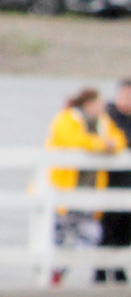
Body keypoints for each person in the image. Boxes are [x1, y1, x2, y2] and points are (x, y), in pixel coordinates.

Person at [45, 86, 127, 284]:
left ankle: (61, 272)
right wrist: (102, 145)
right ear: (89, 104)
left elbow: (119, 140)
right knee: (58, 238)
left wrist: (110, 145)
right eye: (99, 103)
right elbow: (72, 140)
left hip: (89, 193)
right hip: (64, 191)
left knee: (89, 237)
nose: (103, 107)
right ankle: (54, 277)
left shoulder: (104, 123)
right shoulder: (67, 119)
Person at [99, 79, 131, 280]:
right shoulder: (107, 117)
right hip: (107, 184)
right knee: (105, 232)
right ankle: (100, 273)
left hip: (128, 186)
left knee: (125, 233)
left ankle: (119, 272)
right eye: (125, 95)